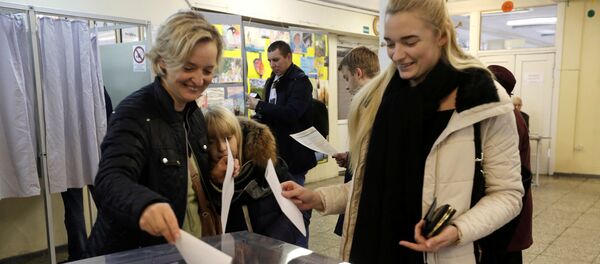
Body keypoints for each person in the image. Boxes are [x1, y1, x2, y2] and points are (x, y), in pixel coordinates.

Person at [281, 0, 524, 263]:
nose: (396, 54)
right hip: (375, 250)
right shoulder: (381, 98)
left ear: (441, 36)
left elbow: (507, 194)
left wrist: (458, 230)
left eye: (409, 42)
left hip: (441, 255)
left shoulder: (484, 100)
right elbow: (371, 183)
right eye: (390, 43)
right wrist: (318, 197)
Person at [85, 11, 231, 256]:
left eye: (207, 71)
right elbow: (110, 179)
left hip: (187, 249)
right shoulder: (134, 112)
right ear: (163, 61)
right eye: (188, 67)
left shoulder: (194, 114)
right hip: (136, 253)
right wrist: (145, 205)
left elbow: (187, 184)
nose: (198, 79)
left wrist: (215, 177)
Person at [246, 40, 315, 247]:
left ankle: (302, 252)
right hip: (275, 156)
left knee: (297, 210)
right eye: (269, 61)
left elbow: (292, 113)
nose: (272, 64)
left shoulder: (300, 82)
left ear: (288, 57)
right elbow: (271, 114)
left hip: (293, 156)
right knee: (278, 212)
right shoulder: (271, 80)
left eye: (276, 60)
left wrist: (261, 105)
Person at [202, 105, 304, 245]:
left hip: (273, 252)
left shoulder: (265, 164)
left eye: (228, 138)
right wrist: (214, 182)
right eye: (211, 141)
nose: (222, 148)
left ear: (238, 136)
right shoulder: (202, 176)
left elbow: (301, 206)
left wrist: (271, 242)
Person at [487, 65, 533, 264]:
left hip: (510, 203)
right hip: (513, 199)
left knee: (506, 254)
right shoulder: (511, 113)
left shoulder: (507, 116)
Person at [332, 46, 380, 236]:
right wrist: (350, 157)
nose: (346, 85)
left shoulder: (372, 104)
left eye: (346, 78)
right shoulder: (368, 102)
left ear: (358, 73)